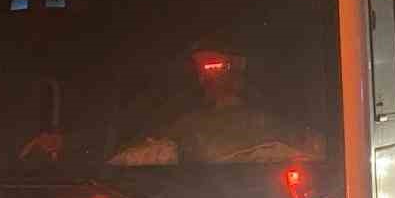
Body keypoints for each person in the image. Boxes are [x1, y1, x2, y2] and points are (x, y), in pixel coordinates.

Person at [108, 43, 325, 166]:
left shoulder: (269, 122)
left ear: (239, 74)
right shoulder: (188, 125)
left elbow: (317, 156)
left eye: (218, 67)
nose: (210, 78)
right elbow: (137, 158)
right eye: (205, 72)